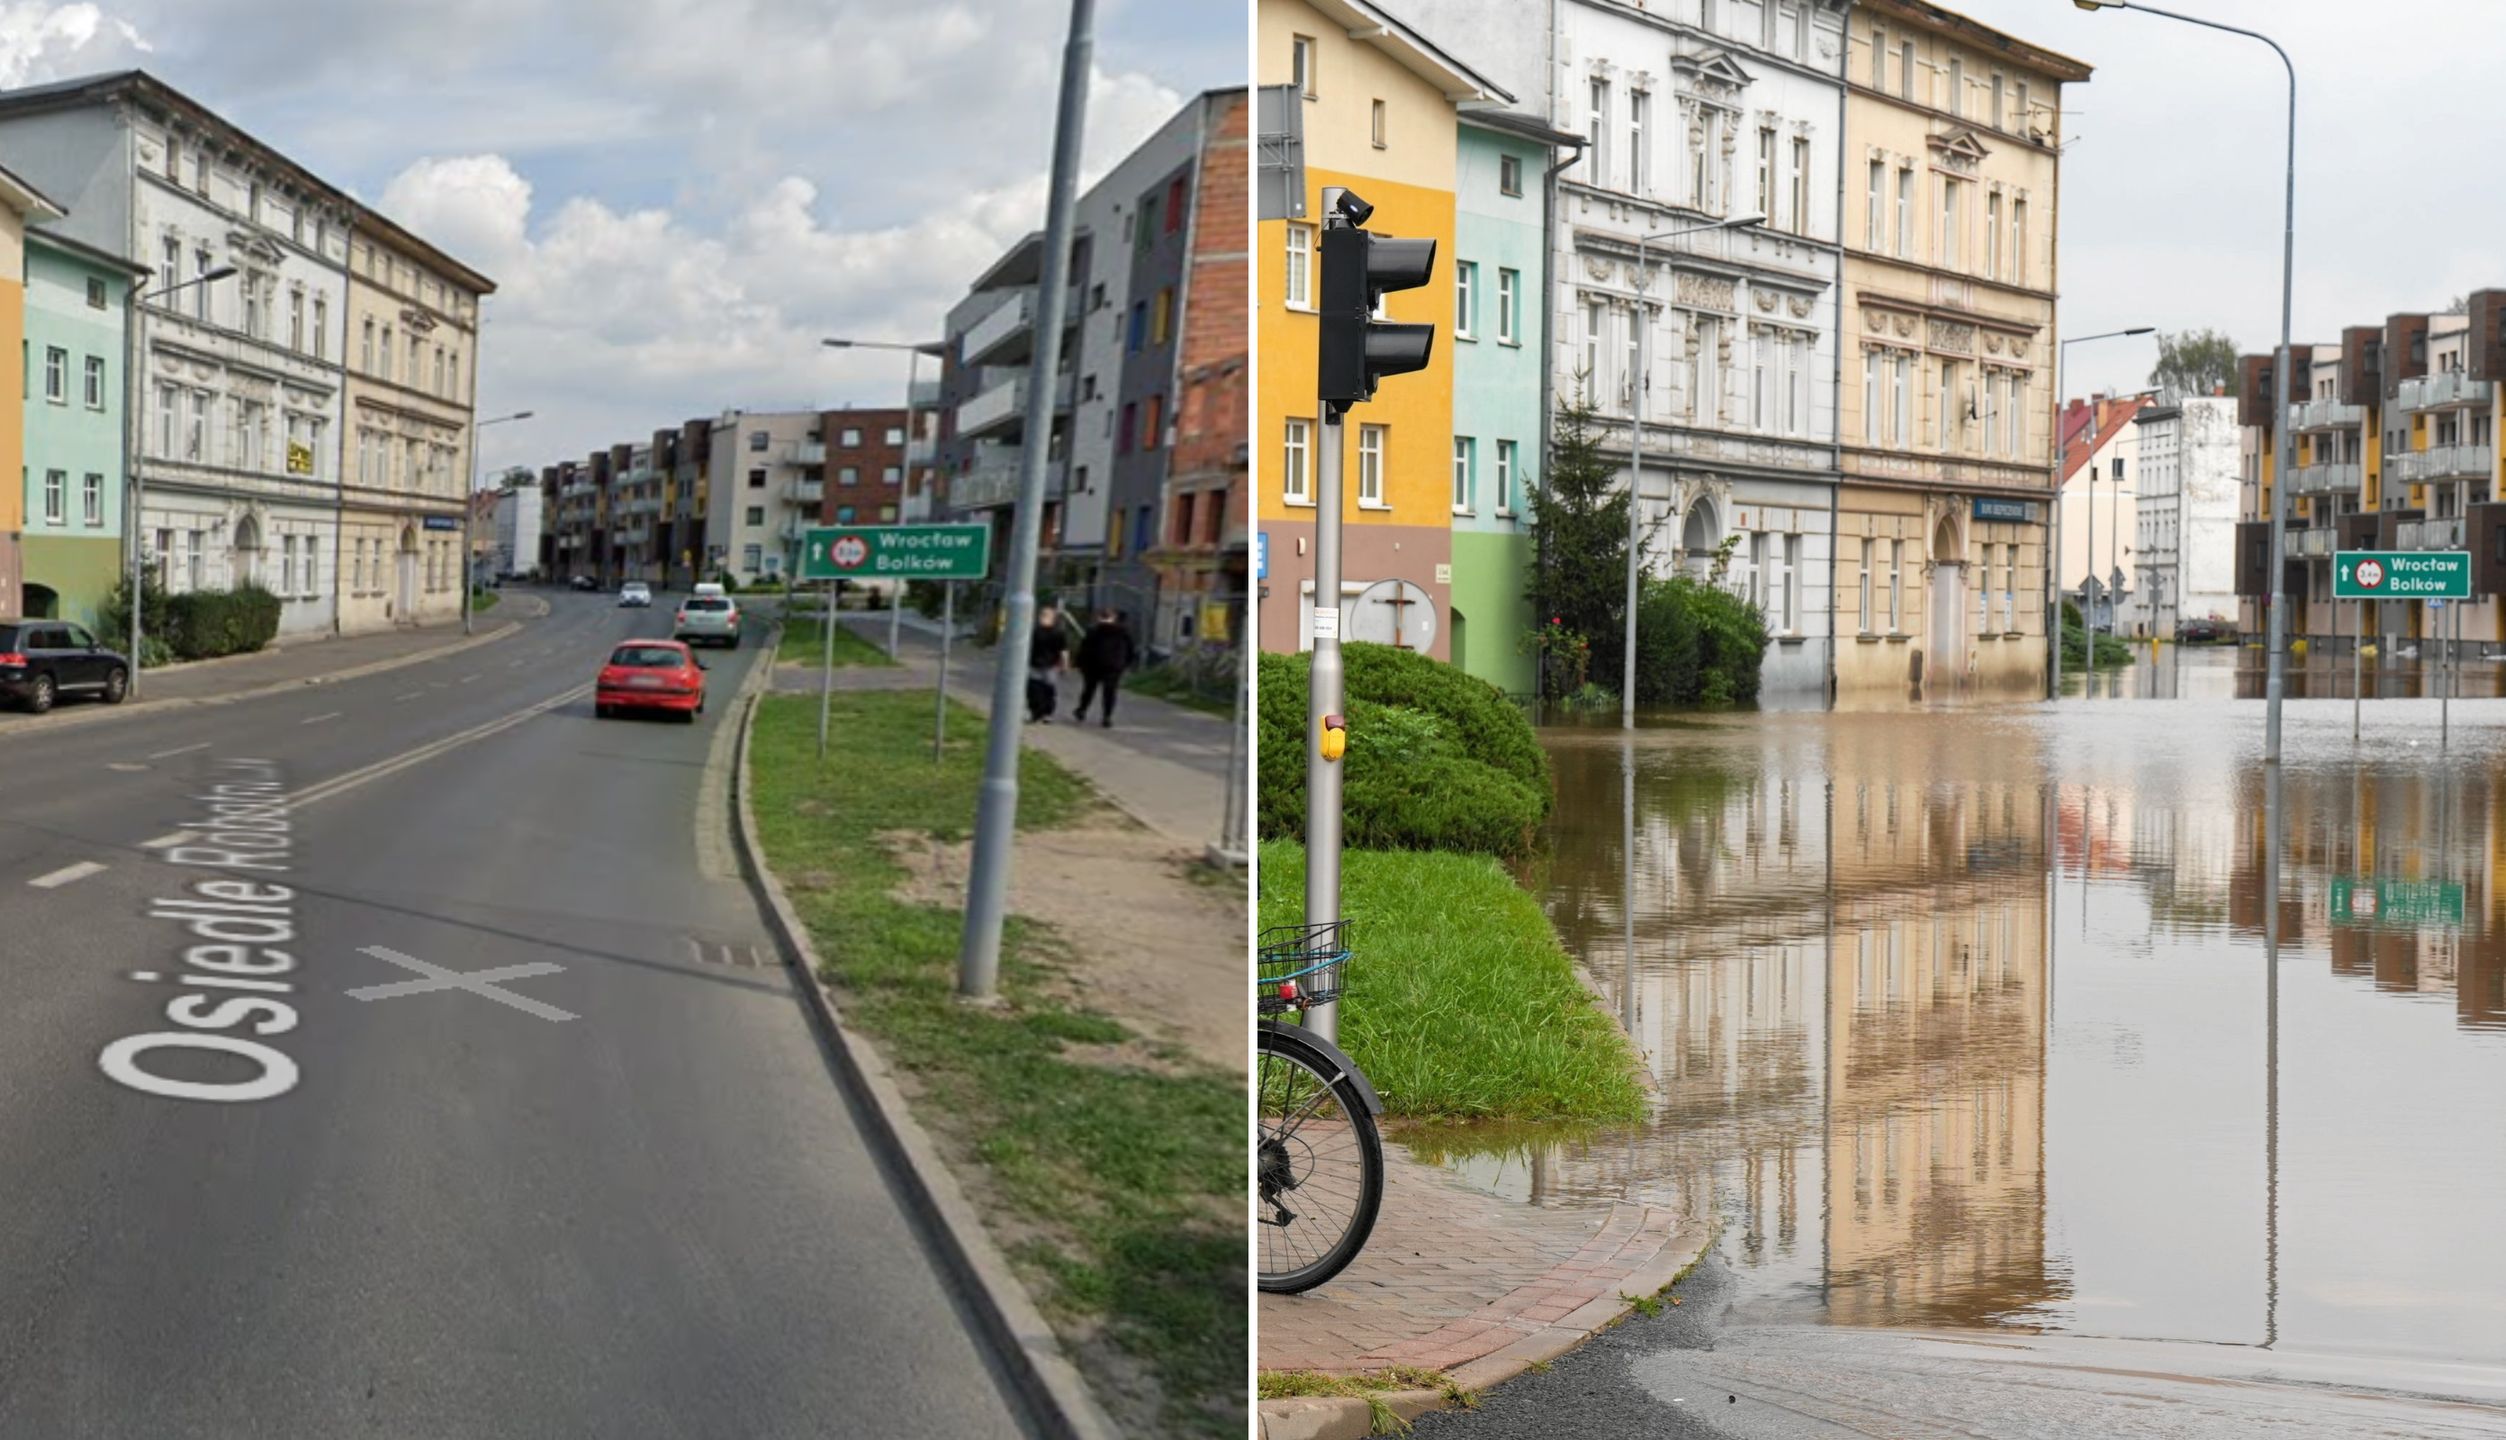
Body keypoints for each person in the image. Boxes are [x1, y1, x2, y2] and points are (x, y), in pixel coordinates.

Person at [1074, 608, 1136, 728]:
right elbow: (1130, 650)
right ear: (1113, 619)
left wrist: (1079, 664)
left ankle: (1082, 710)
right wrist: (1126, 664)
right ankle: (1107, 717)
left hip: (1093, 665)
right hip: (1114, 666)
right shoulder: (1123, 632)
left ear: (1099, 617)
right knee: (1110, 692)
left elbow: (1084, 649)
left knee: (1089, 689)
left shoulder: (1093, 631)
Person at [1027, 605, 1071, 722]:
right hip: (1035, 664)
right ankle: (1036, 713)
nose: (1042, 617)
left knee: (1048, 690)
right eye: (1042, 615)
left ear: (1053, 618)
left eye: (1046, 615)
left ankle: (1047, 713)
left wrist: (1065, 664)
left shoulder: (1058, 632)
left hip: (1051, 666)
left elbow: (1064, 650)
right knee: (1034, 690)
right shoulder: (1035, 631)